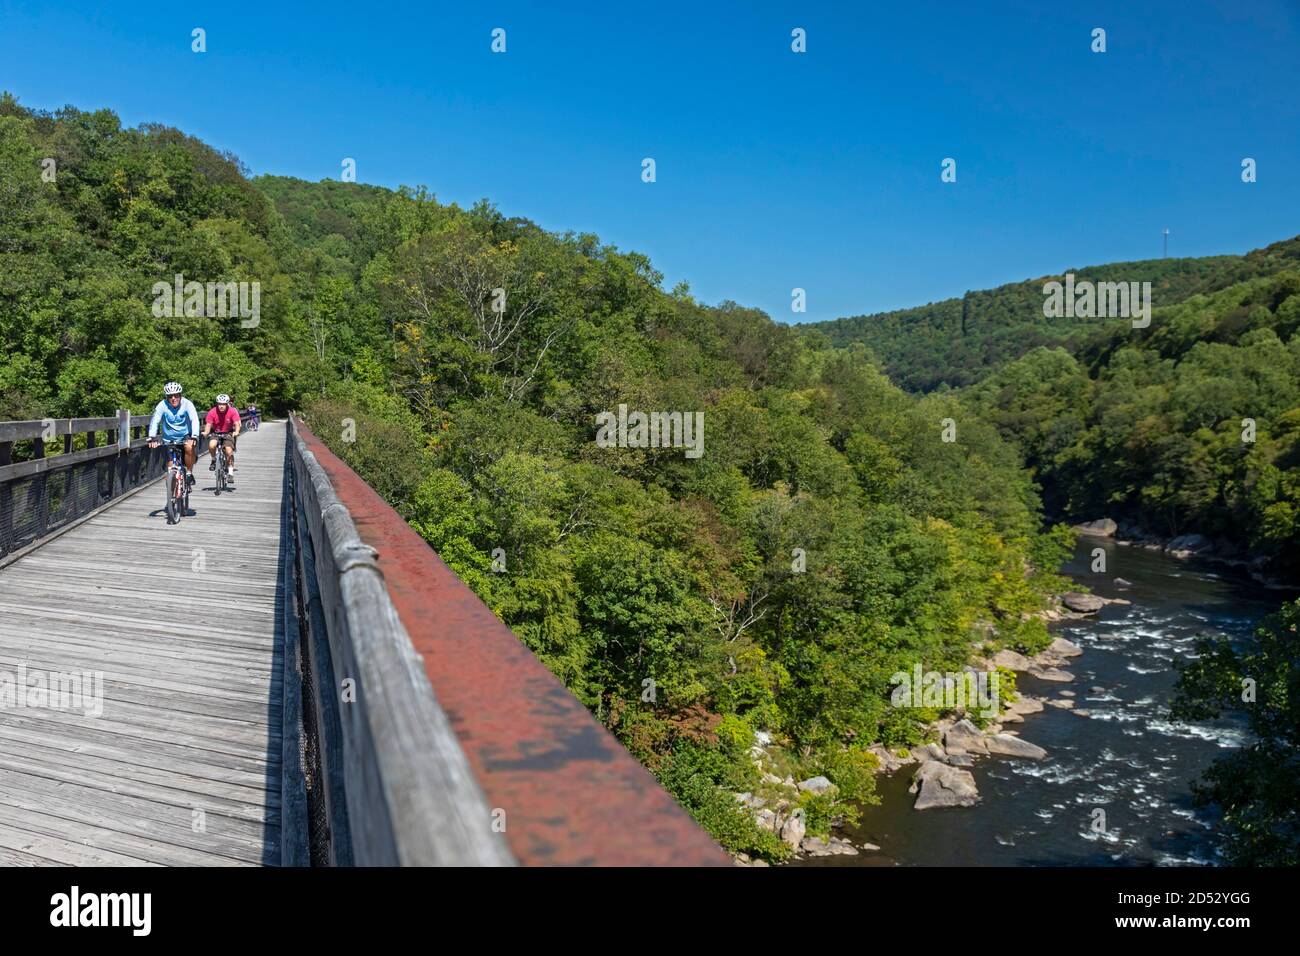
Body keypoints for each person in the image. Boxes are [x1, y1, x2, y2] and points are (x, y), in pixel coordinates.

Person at [146, 381, 200, 487]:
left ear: (180, 395)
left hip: (185, 436)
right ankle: (172, 498)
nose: (173, 398)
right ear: (167, 397)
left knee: (189, 448)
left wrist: (194, 436)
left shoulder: (187, 404)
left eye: (176, 395)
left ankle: (189, 473)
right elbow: (155, 420)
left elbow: (194, 419)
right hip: (169, 438)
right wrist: (152, 437)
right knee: (170, 469)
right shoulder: (162, 405)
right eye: (170, 396)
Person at [203, 393, 241, 477]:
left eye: (223, 404)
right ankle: (213, 460)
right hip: (216, 432)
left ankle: (230, 472)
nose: (221, 406)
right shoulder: (212, 412)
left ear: (227, 404)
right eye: (219, 404)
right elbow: (208, 424)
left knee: (228, 451)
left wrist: (237, 431)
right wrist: (206, 432)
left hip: (228, 432)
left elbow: (237, 423)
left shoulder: (232, 411)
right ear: (217, 404)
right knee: (212, 445)